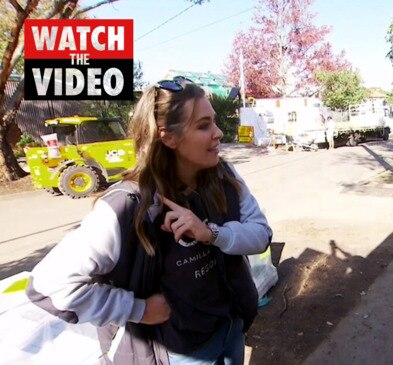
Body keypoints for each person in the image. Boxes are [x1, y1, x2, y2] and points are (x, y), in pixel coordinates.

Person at [27, 76, 273, 365]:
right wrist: (138, 309)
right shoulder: (125, 206)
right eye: (204, 125)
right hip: (179, 353)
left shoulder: (224, 176)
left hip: (230, 329)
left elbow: (261, 235)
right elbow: (47, 286)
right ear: (168, 137)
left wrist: (210, 234)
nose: (218, 133)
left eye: (214, 122)